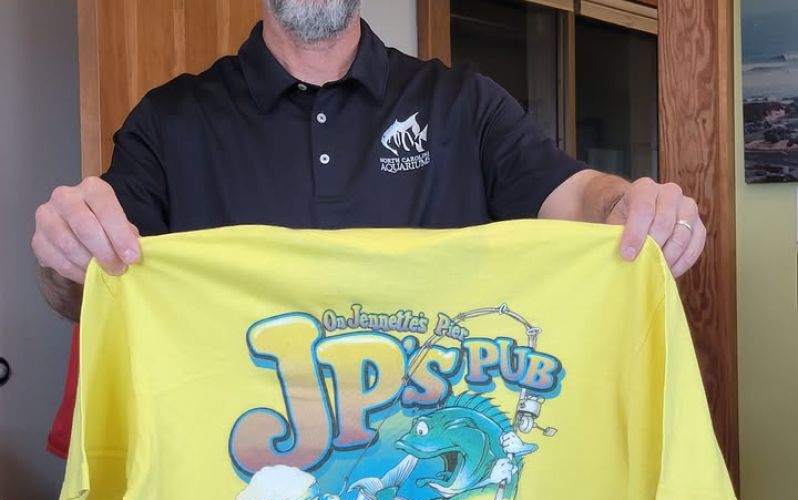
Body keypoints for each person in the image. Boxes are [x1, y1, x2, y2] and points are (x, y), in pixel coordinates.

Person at [33, 0, 705, 321]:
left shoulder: (464, 104)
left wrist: (627, 205)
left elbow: (579, 198)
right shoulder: (167, 121)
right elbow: (86, 291)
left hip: (431, 491)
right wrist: (66, 254)